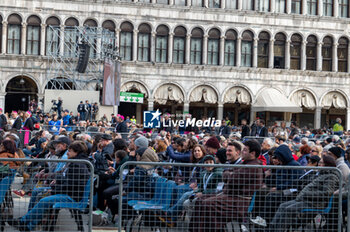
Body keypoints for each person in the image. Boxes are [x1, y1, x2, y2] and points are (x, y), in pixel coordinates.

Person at [11, 141, 90, 232]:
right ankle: (25, 222)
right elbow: (67, 181)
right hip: (69, 192)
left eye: (70, 151)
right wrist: (54, 188)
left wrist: (53, 191)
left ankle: (24, 222)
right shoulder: (77, 162)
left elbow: (71, 185)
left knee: (44, 200)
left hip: (73, 196)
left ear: (76, 152)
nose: (68, 152)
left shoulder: (78, 164)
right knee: (38, 192)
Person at [190, 139, 263, 231]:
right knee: (200, 200)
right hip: (229, 196)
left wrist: (229, 175)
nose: (242, 152)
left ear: (252, 153)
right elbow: (227, 175)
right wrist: (229, 175)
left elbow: (233, 179)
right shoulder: (245, 163)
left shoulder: (254, 166)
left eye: (245, 150)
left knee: (207, 203)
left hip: (238, 202)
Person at [269, 155, 340, 231]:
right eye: (319, 163)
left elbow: (326, 193)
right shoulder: (320, 174)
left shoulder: (331, 176)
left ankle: (279, 230)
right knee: (282, 205)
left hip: (315, 202)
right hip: (305, 199)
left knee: (288, 209)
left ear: (328, 165)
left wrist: (308, 193)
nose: (319, 165)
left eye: (322, 163)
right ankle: (272, 228)